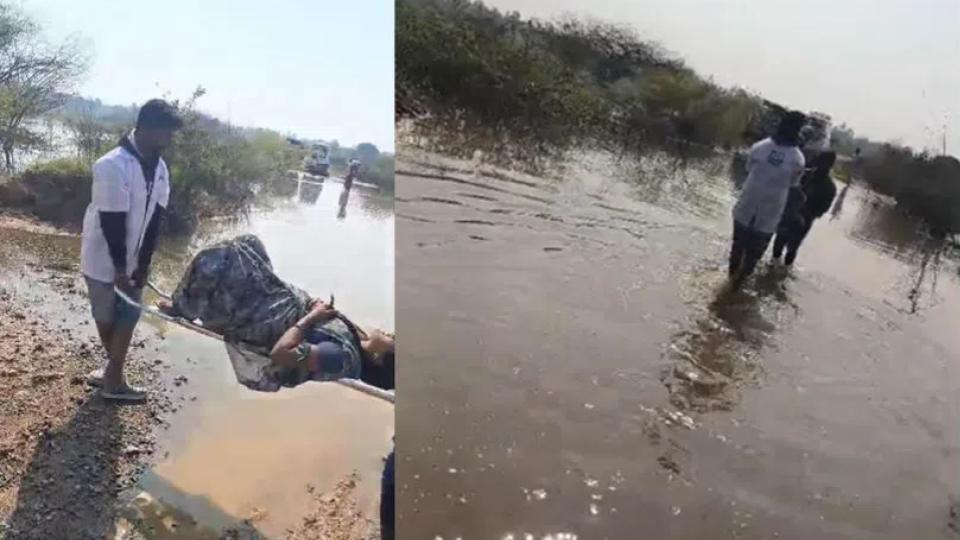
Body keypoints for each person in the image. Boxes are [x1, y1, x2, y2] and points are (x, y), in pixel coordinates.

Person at [82, 99, 183, 402]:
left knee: (129, 314)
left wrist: (143, 265)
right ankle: (114, 376)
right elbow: (113, 222)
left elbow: (155, 221)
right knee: (106, 317)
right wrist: (120, 270)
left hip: (134, 260)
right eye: (167, 132)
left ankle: (113, 378)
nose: (170, 139)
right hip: (102, 258)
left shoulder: (160, 168)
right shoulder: (111, 165)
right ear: (148, 127)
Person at [728, 111, 807, 289]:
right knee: (752, 256)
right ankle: (734, 289)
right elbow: (793, 186)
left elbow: (749, 170)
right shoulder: (797, 159)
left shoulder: (760, 147)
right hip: (768, 213)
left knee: (738, 249)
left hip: (747, 207)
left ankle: (729, 286)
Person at [772, 151, 838, 265]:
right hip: (791, 214)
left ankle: (782, 271)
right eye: (820, 161)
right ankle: (774, 269)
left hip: (804, 220)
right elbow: (789, 190)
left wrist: (806, 212)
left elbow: (822, 211)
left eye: (824, 163)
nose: (821, 165)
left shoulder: (829, 188)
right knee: (779, 243)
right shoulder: (805, 174)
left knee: (792, 248)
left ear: (830, 166)